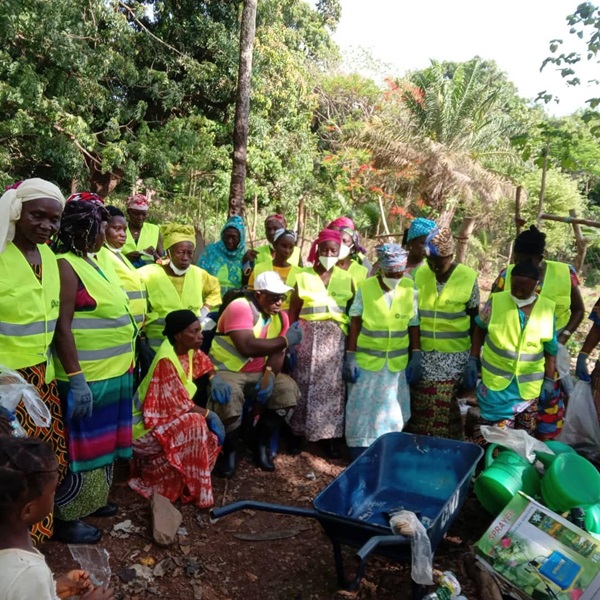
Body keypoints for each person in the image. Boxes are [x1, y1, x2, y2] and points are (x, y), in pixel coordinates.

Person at [53, 195, 137, 544]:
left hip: (115, 370)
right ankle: (67, 515)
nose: (104, 231)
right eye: (99, 225)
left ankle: (93, 500)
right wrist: (76, 379)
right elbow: (63, 326)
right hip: (89, 375)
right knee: (83, 446)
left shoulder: (94, 259)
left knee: (105, 445)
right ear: (81, 227)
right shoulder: (65, 265)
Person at [0, 178, 68, 545]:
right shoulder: (0, 254)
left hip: (41, 379)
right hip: (5, 384)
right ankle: (11, 547)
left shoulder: (49, 260)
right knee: (13, 470)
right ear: (16, 212)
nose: (46, 226)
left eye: (54, 219)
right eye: (37, 216)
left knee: (43, 463)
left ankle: (36, 539)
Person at [491, 225, 584, 439]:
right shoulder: (507, 275)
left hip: (550, 360)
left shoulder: (564, 273)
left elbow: (579, 309)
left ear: (540, 257)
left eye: (527, 260)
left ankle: (541, 458)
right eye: (517, 259)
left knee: (547, 413)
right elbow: (491, 311)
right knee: (511, 416)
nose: (520, 264)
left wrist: (562, 338)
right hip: (513, 366)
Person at [208, 272, 303, 476]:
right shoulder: (240, 307)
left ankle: (260, 443)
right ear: (258, 294)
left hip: (259, 371)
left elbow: (278, 352)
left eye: (282, 297)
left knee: (286, 391)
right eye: (273, 297)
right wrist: (287, 340)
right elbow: (247, 346)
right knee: (229, 398)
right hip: (227, 370)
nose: (279, 302)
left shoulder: (280, 317)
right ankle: (230, 451)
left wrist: (269, 376)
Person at [129, 310, 226, 508]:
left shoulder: (186, 349)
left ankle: (186, 483)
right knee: (197, 423)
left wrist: (214, 378)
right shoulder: (166, 359)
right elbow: (179, 407)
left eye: (200, 330)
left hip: (159, 425)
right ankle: (200, 493)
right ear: (178, 335)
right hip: (141, 431)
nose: (201, 335)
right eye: (195, 331)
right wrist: (210, 415)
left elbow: (206, 365)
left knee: (203, 430)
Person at [0, 436, 114, 600]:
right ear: (28, 510)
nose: (55, 496)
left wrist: (51, 588)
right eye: (53, 491)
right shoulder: (28, 574)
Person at [464, 260, 557, 445]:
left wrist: (549, 379)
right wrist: (473, 357)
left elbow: (550, 348)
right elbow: (480, 328)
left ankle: (512, 471)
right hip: (497, 387)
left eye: (524, 287)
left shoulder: (546, 308)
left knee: (522, 441)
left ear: (536, 286)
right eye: (515, 286)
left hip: (528, 391)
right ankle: (485, 470)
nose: (519, 291)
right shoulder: (497, 302)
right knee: (491, 438)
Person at [343, 244, 422, 458]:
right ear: (382, 269)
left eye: (400, 272)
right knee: (362, 408)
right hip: (367, 361)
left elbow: (413, 323)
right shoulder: (366, 287)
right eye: (392, 272)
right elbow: (356, 321)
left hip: (395, 364)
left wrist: (416, 353)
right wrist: (350, 356)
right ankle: (359, 450)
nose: (396, 276)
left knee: (393, 410)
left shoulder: (409, 288)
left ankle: (388, 449)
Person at [407, 228, 479, 440]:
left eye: (440, 261)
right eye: (430, 261)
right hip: (424, 353)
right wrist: (415, 352)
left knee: (442, 404)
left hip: (454, 356)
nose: (435, 266)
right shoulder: (420, 274)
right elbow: (414, 317)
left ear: (451, 256)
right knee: (420, 405)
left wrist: (474, 358)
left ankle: (445, 446)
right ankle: (422, 446)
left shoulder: (467, 277)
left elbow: (476, 321)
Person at [288, 229, 354, 458]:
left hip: (335, 340)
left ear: (339, 253)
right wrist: (290, 340)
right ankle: (297, 434)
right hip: (307, 338)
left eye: (333, 250)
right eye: (324, 249)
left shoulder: (347, 279)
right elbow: (293, 310)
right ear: (317, 250)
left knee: (332, 389)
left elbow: (353, 312)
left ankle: (329, 436)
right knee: (303, 384)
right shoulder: (303, 276)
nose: (328, 253)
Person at [140, 224, 221, 353]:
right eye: (180, 252)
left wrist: (205, 310)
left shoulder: (198, 274)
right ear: (169, 252)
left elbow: (215, 289)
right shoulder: (147, 274)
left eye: (190, 253)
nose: (185, 258)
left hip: (188, 350)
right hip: (157, 350)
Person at [98, 206, 146, 328]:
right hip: (117, 326)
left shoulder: (120, 255)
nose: (123, 234)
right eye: (117, 229)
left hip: (134, 328)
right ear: (103, 229)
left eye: (124, 230)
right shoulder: (101, 256)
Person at [248, 228, 303, 310]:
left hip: (288, 318)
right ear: (275, 245)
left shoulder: (299, 273)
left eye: (291, 247)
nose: (287, 251)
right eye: (284, 246)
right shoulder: (259, 268)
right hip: (263, 315)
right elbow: (250, 295)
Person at [198, 215, 247, 295]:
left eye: (234, 237)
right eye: (227, 237)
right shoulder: (211, 252)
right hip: (210, 303)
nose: (230, 241)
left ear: (241, 238)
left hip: (234, 303)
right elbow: (199, 277)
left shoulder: (245, 256)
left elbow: (248, 284)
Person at [122, 194, 163, 268]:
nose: (140, 218)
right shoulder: (120, 229)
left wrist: (154, 255)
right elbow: (109, 258)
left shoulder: (154, 230)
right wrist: (126, 257)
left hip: (148, 275)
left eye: (144, 214)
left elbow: (163, 262)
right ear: (128, 212)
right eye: (136, 214)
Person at [327, 217, 370, 286]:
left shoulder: (363, 269)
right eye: (336, 239)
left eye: (344, 241)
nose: (340, 244)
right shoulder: (325, 265)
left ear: (352, 248)